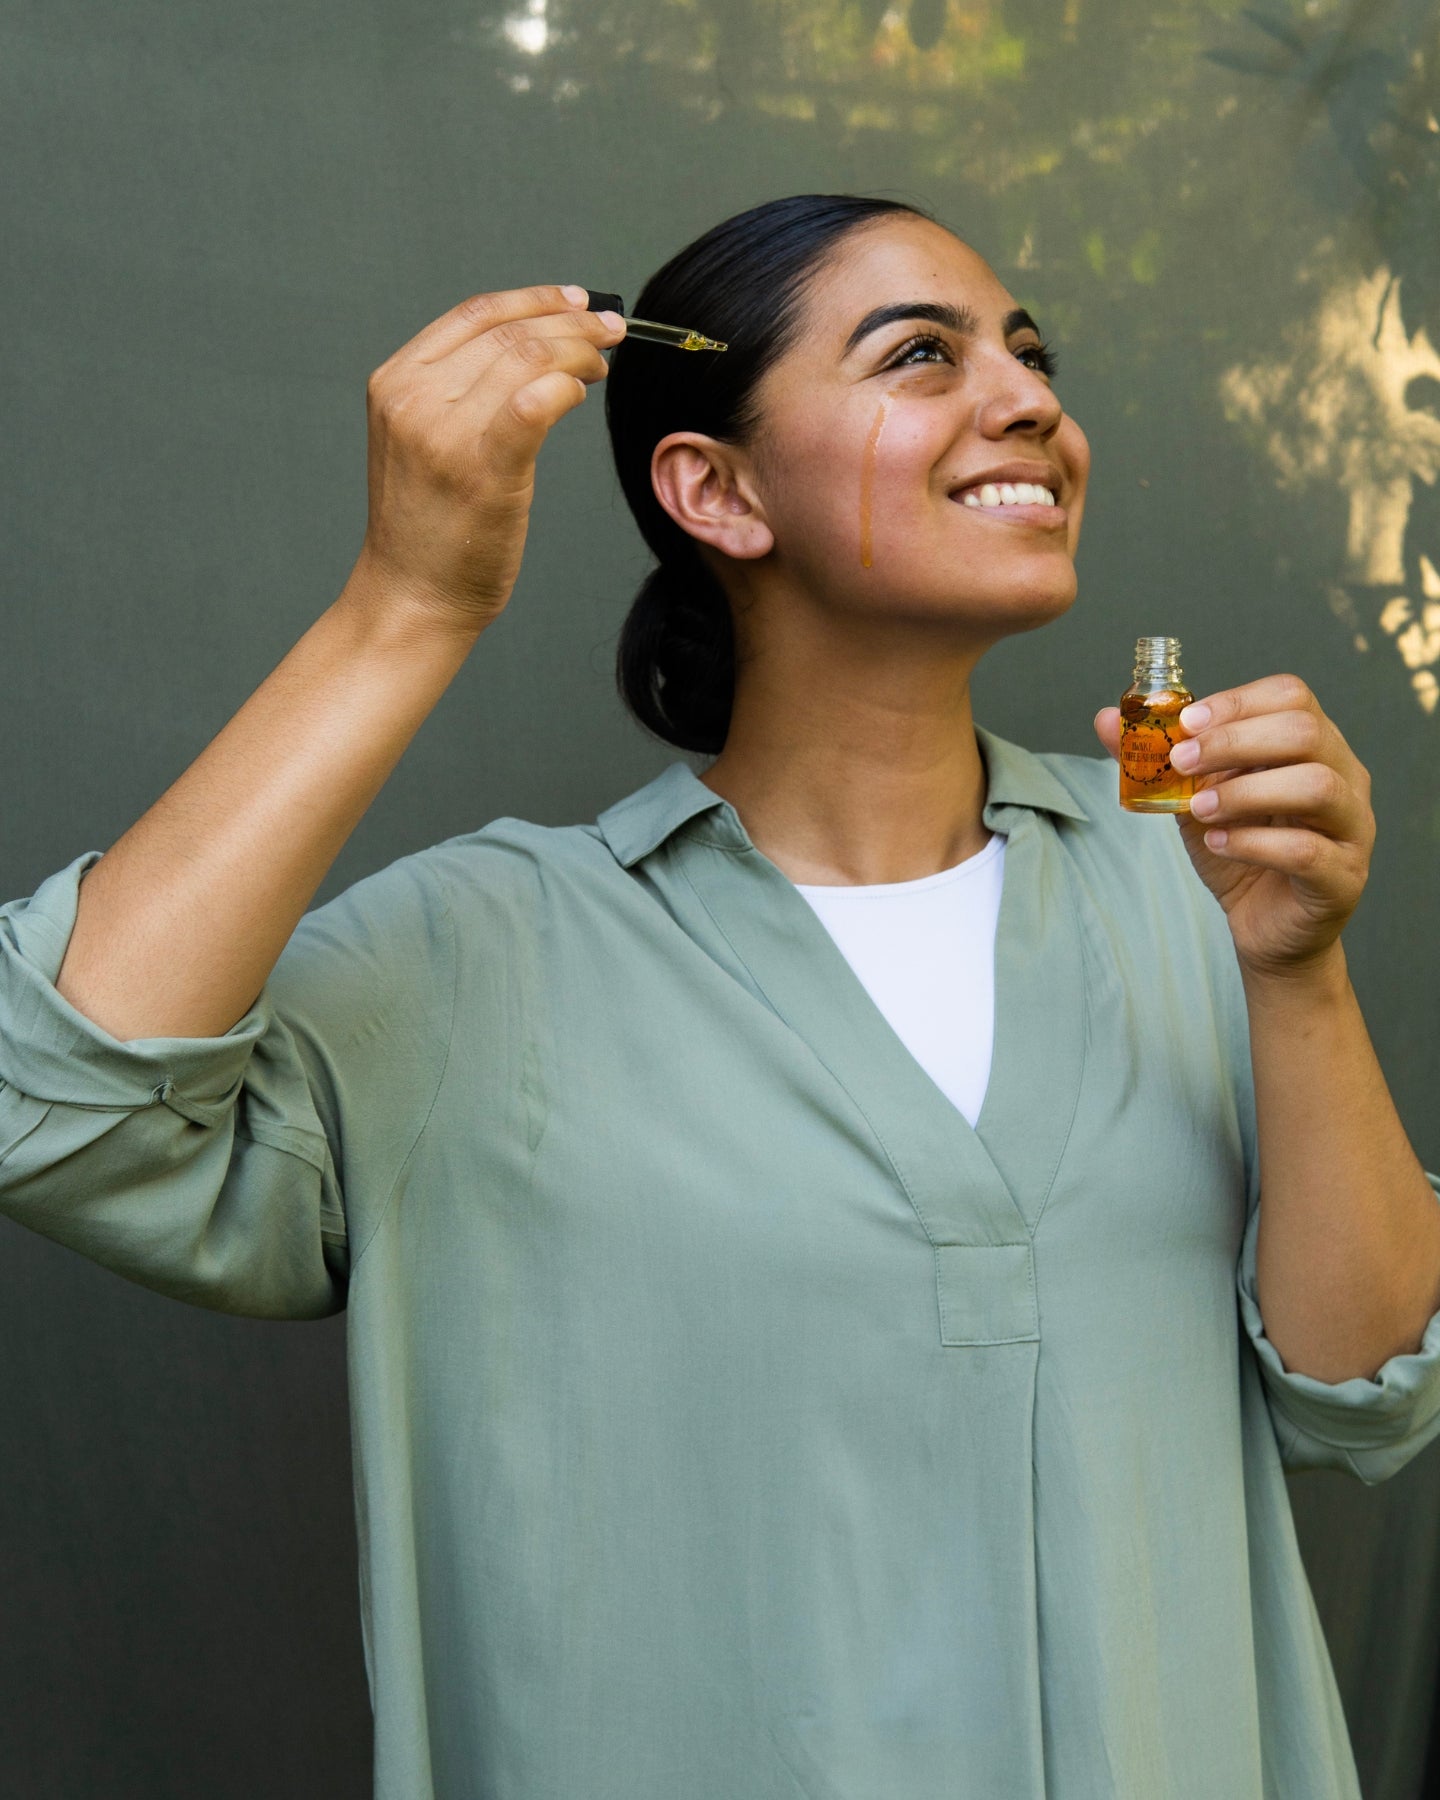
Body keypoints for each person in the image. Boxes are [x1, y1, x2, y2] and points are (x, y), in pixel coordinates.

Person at [2, 192, 1438, 1800]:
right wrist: (407, 603)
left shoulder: (1190, 879)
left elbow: (1365, 1398)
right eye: (920, 356)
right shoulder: (485, 953)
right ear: (717, 492)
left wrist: (1296, 976)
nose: (1031, 398)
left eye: (1031, 353)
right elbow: (55, 1105)